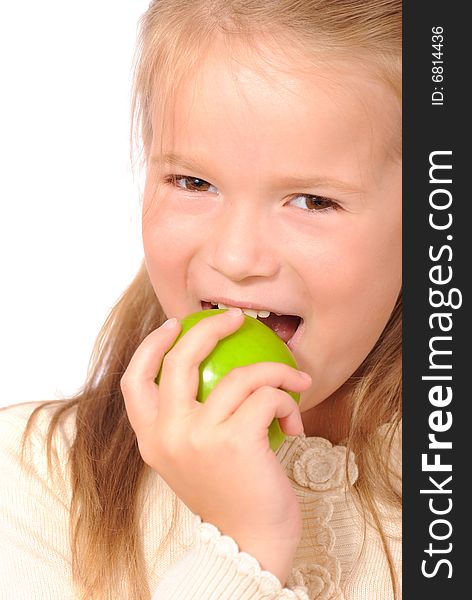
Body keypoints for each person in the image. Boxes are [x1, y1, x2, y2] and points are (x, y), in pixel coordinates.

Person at [0, 1, 402, 598]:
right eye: (193, 183)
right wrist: (243, 547)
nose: (236, 259)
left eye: (313, 201)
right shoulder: (35, 478)